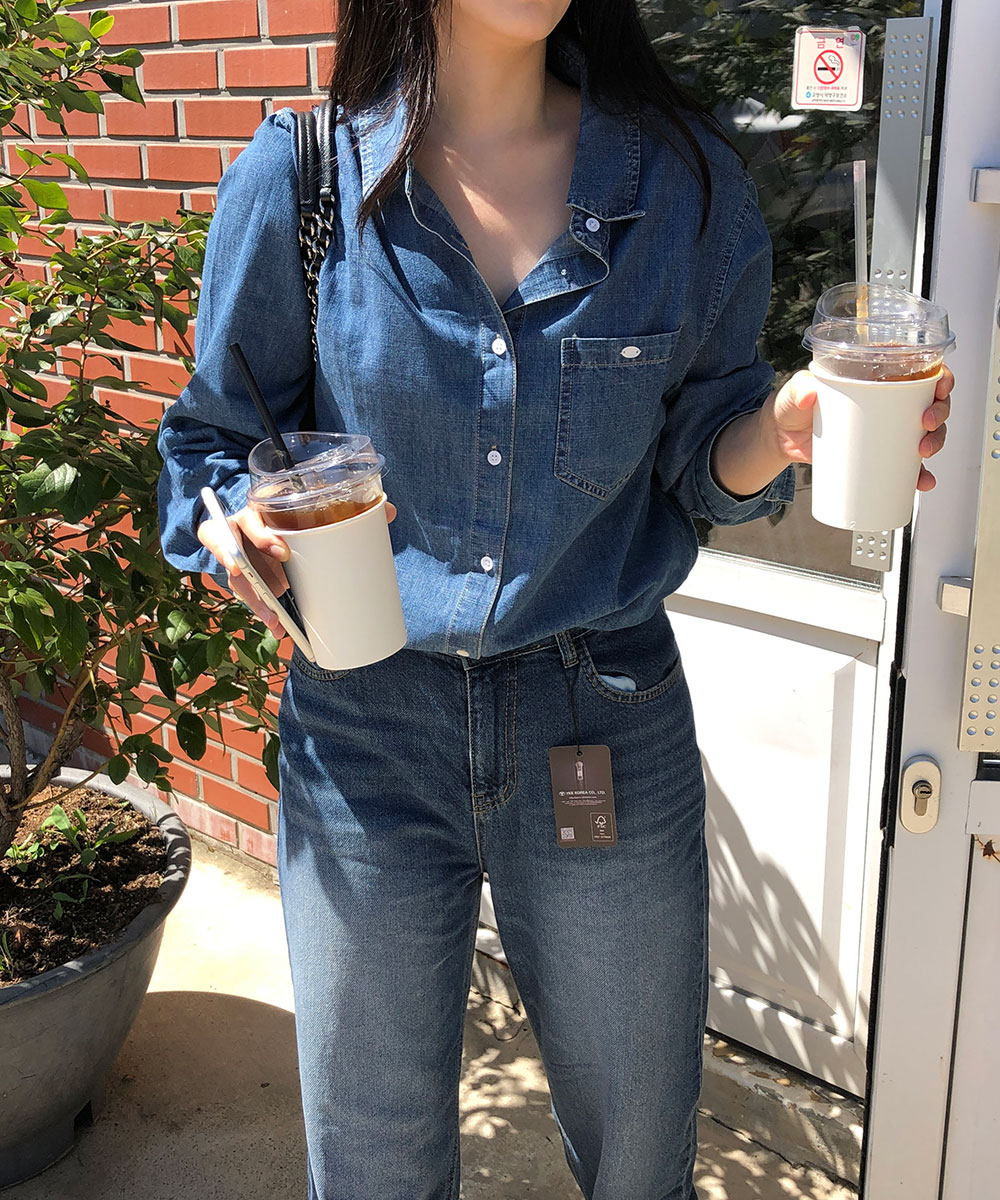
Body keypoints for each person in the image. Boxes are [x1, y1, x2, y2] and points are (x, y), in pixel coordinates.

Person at [156, 2, 953, 1197]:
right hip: (363, 727)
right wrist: (237, 522)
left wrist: (780, 432)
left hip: (601, 717)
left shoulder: (680, 181)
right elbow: (210, 442)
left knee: (638, 1163)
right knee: (372, 1171)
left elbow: (701, 460)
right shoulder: (305, 175)